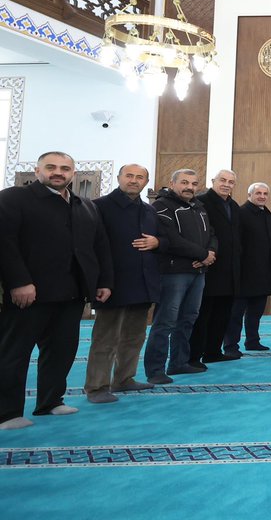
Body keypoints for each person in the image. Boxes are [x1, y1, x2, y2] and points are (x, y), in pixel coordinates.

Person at [0, 151, 112, 430]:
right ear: (38, 170)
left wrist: (103, 282)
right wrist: (18, 282)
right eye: (51, 167)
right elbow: (5, 243)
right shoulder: (13, 199)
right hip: (29, 293)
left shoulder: (84, 205)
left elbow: (99, 247)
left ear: (73, 173)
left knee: (61, 350)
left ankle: (50, 401)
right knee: (14, 353)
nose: (58, 172)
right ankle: (7, 412)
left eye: (65, 168)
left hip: (72, 293)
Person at [85, 163, 159, 403]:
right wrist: (100, 281)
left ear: (146, 182)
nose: (134, 180)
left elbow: (161, 242)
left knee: (134, 336)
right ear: (119, 177)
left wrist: (157, 243)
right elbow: (93, 247)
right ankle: (96, 387)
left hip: (142, 283)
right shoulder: (100, 207)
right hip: (111, 284)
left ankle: (124, 379)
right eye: (129, 175)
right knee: (105, 338)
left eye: (140, 177)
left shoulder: (149, 211)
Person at [145, 168, 214, 384]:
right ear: (172, 183)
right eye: (184, 182)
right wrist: (202, 254)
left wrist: (210, 254)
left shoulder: (199, 207)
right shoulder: (161, 206)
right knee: (165, 321)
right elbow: (170, 239)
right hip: (174, 273)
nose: (189, 187)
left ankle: (178, 362)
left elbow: (212, 234)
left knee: (188, 319)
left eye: (194, 184)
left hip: (198, 271)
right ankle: (155, 370)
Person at [190, 169, 240, 367]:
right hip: (209, 266)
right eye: (222, 180)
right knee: (202, 314)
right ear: (213, 181)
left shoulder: (234, 206)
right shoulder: (202, 202)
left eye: (231, 182)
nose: (226, 184)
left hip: (230, 270)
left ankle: (213, 351)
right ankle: (193, 356)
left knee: (222, 314)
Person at [227, 182, 271, 352]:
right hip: (244, 274)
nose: (262, 196)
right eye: (258, 193)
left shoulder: (267, 214)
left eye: (265, 193)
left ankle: (252, 341)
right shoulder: (241, 213)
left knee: (256, 312)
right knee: (236, 314)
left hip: (262, 274)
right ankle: (231, 346)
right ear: (249, 195)